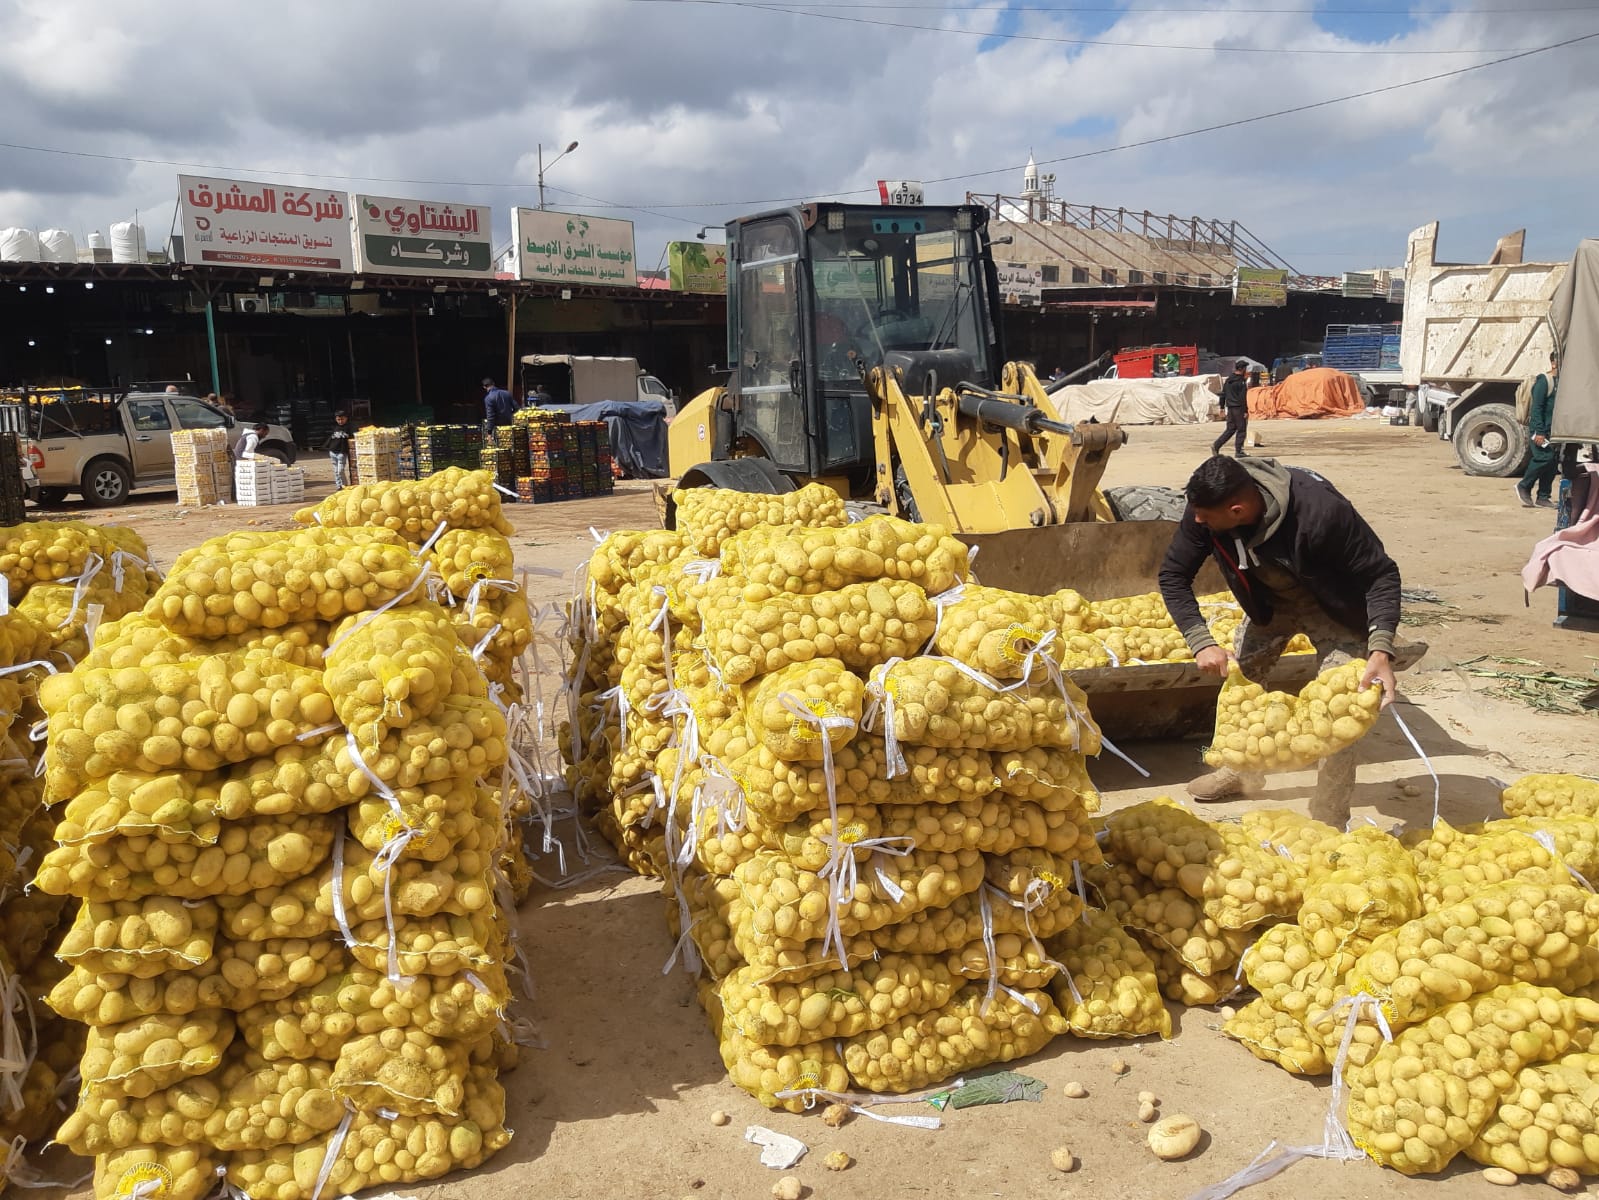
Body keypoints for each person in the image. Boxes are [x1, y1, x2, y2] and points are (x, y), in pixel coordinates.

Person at [1159, 455, 1405, 825]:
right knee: (1242, 681)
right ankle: (1241, 770)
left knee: (1340, 707)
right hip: (1269, 604)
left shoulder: (1322, 514)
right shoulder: (1205, 510)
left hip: (1333, 605)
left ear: (1237, 510)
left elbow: (1381, 574)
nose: (1197, 522)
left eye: (1205, 517)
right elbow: (1173, 575)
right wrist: (1201, 641)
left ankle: (1329, 813)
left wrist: (1381, 646)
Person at [1517, 351, 1560, 508]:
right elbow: (1536, 409)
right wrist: (1539, 432)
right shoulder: (1544, 381)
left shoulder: (1562, 382)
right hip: (1540, 430)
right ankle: (1524, 486)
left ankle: (1543, 496)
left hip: (1554, 431)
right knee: (1544, 457)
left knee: (1552, 463)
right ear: (1553, 363)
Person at [1212, 360, 1251, 457]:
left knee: (1230, 429)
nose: (1246, 370)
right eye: (1245, 368)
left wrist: (1222, 408)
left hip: (1230, 408)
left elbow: (1223, 394)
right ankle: (1239, 451)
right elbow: (1242, 397)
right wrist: (1245, 410)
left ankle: (1216, 445)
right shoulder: (1241, 381)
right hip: (1239, 408)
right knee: (1241, 429)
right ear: (1242, 369)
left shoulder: (1228, 380)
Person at [326, 411, 353, 490]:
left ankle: (345, 485)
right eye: (338, 419)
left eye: (342, 419)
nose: (340, 421)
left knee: (340, 470)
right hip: (333, 452)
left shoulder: (349, 428)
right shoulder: (334, 427)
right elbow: (330, 438)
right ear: (336, 419)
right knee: (336, 471)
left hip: (342, 452)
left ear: (346, 418)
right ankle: (339, 486)